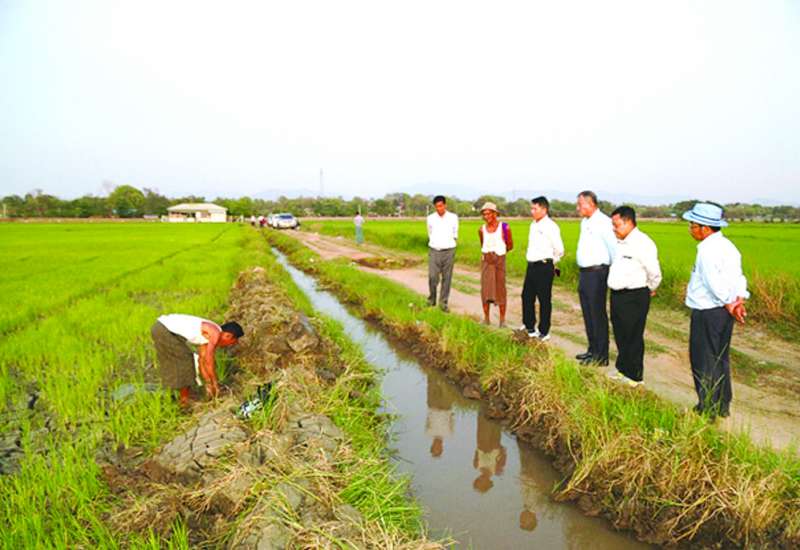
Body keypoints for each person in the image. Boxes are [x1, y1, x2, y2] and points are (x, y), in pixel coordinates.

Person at [683, 203, 748, 418]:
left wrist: (729, 302)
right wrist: (738, 301)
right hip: (723, 313)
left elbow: (713, 283)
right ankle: (721, 405)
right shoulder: (728, 246)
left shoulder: (707, 250)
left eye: (693, 225)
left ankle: (707, 408)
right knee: (720, 357)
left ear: (705, 228)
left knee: (704, 359)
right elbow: (739, 277)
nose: (690, 229)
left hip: (708, 311)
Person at [607, 206, 662, 387]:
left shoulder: (643, 243)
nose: (614, 229)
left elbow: (654, 272)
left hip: (635, 295)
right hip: (617, 295)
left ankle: (635, 377)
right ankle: (623, 369)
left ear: (628, 222)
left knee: (633, 335)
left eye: (616, 225)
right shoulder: (620, 243)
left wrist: (650, 288)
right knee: (620, 333)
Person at [150, 314, 244, 406]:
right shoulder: (215, 333)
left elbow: (202, 361)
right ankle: (184, 399)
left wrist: (208, 383)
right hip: (164, 329)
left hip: (162, 328)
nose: (228, 345)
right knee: (185, 360)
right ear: (228, 336)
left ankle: (179, 395)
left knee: (178, 361)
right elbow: (209, 360)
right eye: (231, 342)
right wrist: (215, 383)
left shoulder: (208, 337)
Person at [575, 191, 616, 366]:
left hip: (598, 273)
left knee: (597, 313)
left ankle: (601, 355)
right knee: (587, 312)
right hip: (585, 273)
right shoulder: (585, 222)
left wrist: (613, 274)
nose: (578, 208)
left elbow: (614, 249)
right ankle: (592, 349)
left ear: (591, 204)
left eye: (580, 204)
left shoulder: (604, 222)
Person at [521, 196, 564, 341]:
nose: (532, 211)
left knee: (544, 299)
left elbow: (559, 249)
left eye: (535, 208)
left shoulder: (551, 226)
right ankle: (529, 326)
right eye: (531, 208)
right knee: (527, 296)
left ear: (544, 209)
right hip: (531, 265)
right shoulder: (533, 225)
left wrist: (552, 262)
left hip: (544, 266)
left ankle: (544, 331)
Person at [478, 202, 513, 327]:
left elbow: (510, 245)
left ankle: (502, 321)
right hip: (486, 261)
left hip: (499, 261)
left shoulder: (504, 227)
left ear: (495, 214)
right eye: (484, 214)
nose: (486, 216)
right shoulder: (481, 230)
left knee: (500, 290)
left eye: (489, 214)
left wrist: (499, 254)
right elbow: (483, 244)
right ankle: (486, 319)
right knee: (485, 290)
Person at [427, 195, 459, 312]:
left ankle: (443, 303)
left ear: (445, 205)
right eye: (436, 207)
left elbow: (455, 233)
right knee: (432, 277)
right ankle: (432, 299)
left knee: (447, 277)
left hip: (449, 250)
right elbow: (430, 233)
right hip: (434, 250)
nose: (439, 208)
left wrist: (450, 244)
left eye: (441, 206)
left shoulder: (453, 217)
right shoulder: (430, 218)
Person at [425, 371, 455, 458]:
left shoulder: (428, 432)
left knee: (432, 383)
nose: (437, 446)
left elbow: (428, 419)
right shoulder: (449, 434)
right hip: (446, 408)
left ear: (432, 445)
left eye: (436, 448)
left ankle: (433, 370)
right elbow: (452, 420)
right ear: (442, 447)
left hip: (433, 406)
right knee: (447, 387)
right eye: (438, 448)